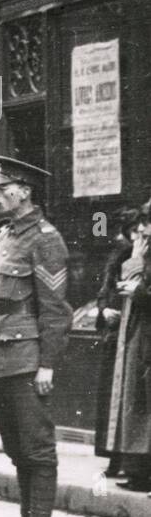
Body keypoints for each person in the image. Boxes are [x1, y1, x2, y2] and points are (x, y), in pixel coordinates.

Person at [0, 157, 72, 517]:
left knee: (37, 446)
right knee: (14, 446)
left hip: (27, 356)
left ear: (24, 191)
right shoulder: (7, 234)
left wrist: (47, 363)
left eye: (1, 188)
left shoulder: (45, 239)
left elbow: (55, 308)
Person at [101, 203, 151, 491]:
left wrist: (138, 289)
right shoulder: (142, 252)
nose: (141, 230)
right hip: (137, 335)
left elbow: (138, 286)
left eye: (145, 223)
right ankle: (137, 471)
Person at [94, 208, 139, 474]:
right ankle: (112, 457)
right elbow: (104, 291)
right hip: (115, 336)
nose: (136, 236)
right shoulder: (118, 258)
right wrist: (103, 310)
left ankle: (129, 460)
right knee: (111, 399)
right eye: (132, 231)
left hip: (133, 334)